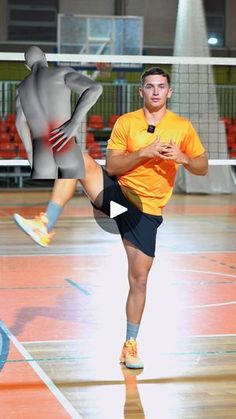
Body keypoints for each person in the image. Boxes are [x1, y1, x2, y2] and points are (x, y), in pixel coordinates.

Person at [14, 66, 208, 368]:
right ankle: (45, 223)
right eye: (150, 86)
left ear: (169, 92)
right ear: (141, 91)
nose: (155, 91)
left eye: (161, 86)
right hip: (117, 200)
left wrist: (182, 157)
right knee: (76, 157)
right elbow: (114, 167)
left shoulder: (182, 128)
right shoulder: (126, 123)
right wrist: (145, 152)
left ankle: (130, 344)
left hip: (144, 215)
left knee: (139, 280)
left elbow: (202, 166)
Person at [15, 46, 103, 179]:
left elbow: (19, 123)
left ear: (27, 65)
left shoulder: (20, 89)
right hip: (64, 142)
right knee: (73, 196)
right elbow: (95, 88)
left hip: (41, 151)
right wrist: (74, 123)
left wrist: (29, 152)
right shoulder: (61, 73)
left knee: (44, 198)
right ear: (45, 57)